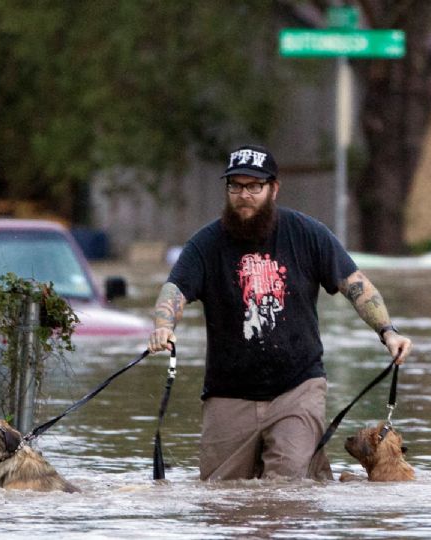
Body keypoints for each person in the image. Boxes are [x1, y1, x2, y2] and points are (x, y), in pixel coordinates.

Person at [147, 144, 413, 481]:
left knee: (288, 487)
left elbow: (357, 286)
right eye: (236, 186)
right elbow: (175, 289)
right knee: (221, 497)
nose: (244, 195)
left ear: (274, 188)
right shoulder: (205, 244)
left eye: (254, 186)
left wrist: (388, 332)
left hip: (297, 388)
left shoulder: (308, 234)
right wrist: (163, 326)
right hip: (228, 392)